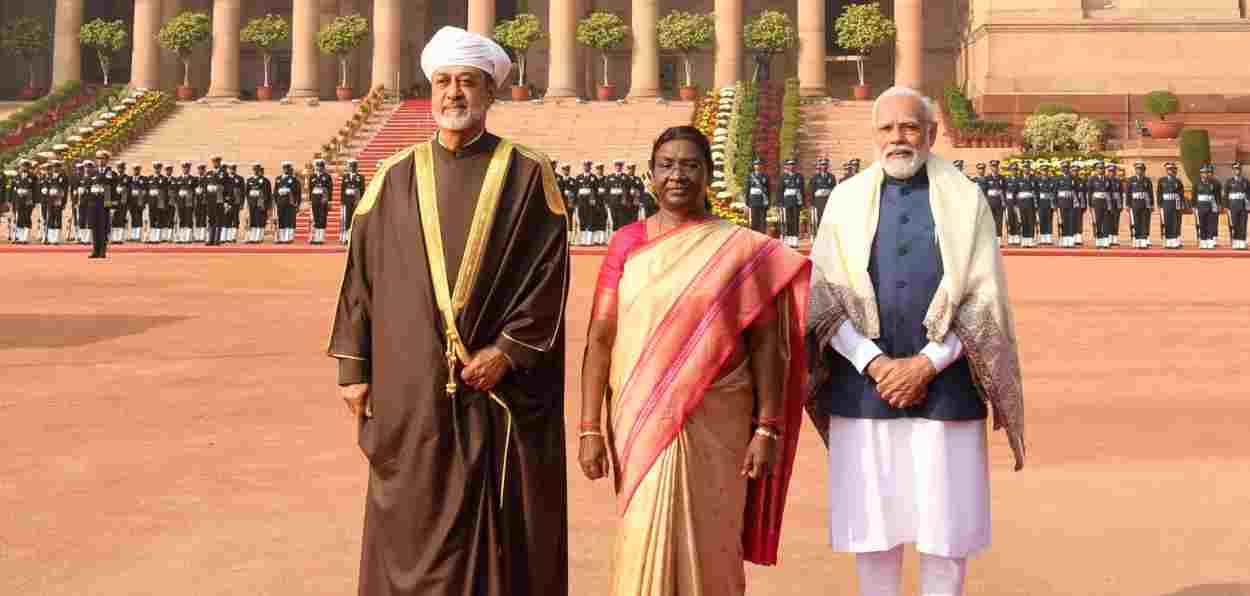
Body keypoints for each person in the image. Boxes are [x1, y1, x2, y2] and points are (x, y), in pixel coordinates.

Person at [329, 26, 570, 596]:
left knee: (501, 530)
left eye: (467, 82)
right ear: (430, 89)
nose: (454, 93)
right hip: (409, 387)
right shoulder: (393, 177)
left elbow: (548, 276)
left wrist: (507, 353)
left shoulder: (528, 175)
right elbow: (358, 277)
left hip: (494, 390)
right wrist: (353, 367)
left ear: (490, 93)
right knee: (409, 514)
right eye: (443, 82)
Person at [806, 87, 1025, 596]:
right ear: (874, 135)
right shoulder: (845, 198)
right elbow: (824, 294)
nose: (898, 138)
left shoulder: (966, 200)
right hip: (865, 389)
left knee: (944, 534)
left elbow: (983, 297)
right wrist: (876, 363)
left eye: (909, 127)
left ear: (931, 133)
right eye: (887, 128)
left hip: (946, 388)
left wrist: (925, 364)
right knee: (874, 533)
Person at [579, 125, 810, 596]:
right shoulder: (627, 243)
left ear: (708, 174)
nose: (677, 176)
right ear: (650, 175)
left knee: (714, 545)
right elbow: (600, 338)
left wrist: (768, 428)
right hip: (641, 422)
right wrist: (589, 429)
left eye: (689, 165)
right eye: (666, 165)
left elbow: (767, 343)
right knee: (642, 536)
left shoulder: (739, 249)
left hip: (720, 424)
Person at [84, 160, 113, 259]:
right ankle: (95, 250)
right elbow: (88, 185)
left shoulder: (108, 171)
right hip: (93, 204)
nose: (100, 161)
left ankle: (102, 251)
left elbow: (108, 185)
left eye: (103, 159)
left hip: (103, 204)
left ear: (106, 160)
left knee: (103, 228)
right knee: (94, 227)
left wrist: (108, 205)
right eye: (99, 159)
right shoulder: (94, 172)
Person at [1193, 163, 1222, 250]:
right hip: (1201, 207)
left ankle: (1210, 241)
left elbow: (1217, 196)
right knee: (1202, 224)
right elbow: (1194, 196)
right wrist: (1194, 206)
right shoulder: (1197, 184)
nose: (1205, 174)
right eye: (1203, 172)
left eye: (1206, 172)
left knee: (1210, 224)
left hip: (1211, 206)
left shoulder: (1213, 184)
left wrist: (1219, 205)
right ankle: (1203, 241)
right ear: (1200, 174)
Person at [1127, 162, 1155, 249]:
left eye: (1141, 169)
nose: (1139, 171)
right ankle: (1137, 240)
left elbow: (1150, 193)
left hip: (1145, 204)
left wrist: (1152, 204)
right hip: (1135, 203)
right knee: (1136, 222)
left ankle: (1143, 241)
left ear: (1144, 171)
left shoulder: (1147, 180)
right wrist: (1127, 204)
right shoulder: (1131, 180)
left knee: (1145, 222)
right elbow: (1128, 193)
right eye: (1138, 169)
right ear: (1135, 170)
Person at [1158, 162, 1185, 249]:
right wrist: (1159, 204)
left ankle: (1174, 240)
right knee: (1167, 222)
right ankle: (1168, 240)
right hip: (1166, 203)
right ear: (1166, 171)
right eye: (1169, 169)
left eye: (1173, 169)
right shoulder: (1162, 180)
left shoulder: (1178, 181)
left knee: (1175, 222)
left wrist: (1182, 204)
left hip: (1175, 204)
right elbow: (1159, 193)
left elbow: (1181, 194)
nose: (1171, 171)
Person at [780, 158, 804, 247]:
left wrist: (802, 203)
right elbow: (780, 190)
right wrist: (780, 203)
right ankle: (789, 239)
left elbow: (802, 190)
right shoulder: (783, 177)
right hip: (787, 201)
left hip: (796, 201)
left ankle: (795, 239)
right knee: (788, 220)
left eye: (793, 165)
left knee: (795, 220)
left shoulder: (799, 176)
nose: (791, 166)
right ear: (786, 166)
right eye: (789, 165)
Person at [245, 163, 273, 243]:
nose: (255, 171)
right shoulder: (249, 180)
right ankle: (252, 237)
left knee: (260, 220)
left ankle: (259, 237)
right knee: (253, 220)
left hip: (261, 203)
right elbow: (247, 192)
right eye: (254, 169)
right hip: (252, 203)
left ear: (259, 170)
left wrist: (268, 206)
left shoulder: (265, 180)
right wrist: (250, 197)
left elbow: (268, 194)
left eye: (257, 169)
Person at [11, 160, 38, 244]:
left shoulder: (33, 177)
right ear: (20, 166)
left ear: (29, 167)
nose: (24, 167)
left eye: (26, 166)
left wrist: (34, 201)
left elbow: (36, 190)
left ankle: (25, 238)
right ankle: (19, 237)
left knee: (27, 217)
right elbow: (12, 189)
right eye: (23, 166)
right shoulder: (16, 177)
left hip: (28, 200)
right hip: (18, 200)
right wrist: (12, 199)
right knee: (19, 218)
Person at [274, 161, 301, 243]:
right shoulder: (278, 179)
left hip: (290, 203)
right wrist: (276, 200)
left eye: (288, 168)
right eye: (284, 168)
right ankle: (282, 238)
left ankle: (289, 238)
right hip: (280, 202)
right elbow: (275, 191)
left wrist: (297, 204)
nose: (286, 170)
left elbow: (297, 193)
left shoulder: (294, 180)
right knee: (281, 220)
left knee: (290, 220)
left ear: (290, 169)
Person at [340, 159, 366, 244]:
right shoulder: (345, 177)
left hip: (356, 200)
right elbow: (343, 189)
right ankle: (346, 238)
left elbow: (362, 190)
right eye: (350, 166)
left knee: (355, 219)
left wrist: (361, 201)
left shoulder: (361, 177)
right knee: (347, 219)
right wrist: (342, 201)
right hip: (347, 200)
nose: (351, 168)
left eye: (353, 166)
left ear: (356, 167)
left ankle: (355, 238)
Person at [43, 161, 68, 244]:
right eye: (54, 167)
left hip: (58, 199)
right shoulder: (49, 176)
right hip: (50, 199)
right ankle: (50, 238)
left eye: (57, 167)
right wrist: (46, 190)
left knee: (58, 217)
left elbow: (65, 190)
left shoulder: (63, 177)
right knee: (50, 217)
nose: (55, 168)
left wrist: (64, 202)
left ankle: (56, 238)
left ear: (60, 168)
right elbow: (45, 186)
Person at [1225, 161, 1249, 250]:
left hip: (1243, 206)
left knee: (1243, 224)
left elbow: (1249, 194)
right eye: (1235, 169)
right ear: (1233, 170)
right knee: (1234, 224)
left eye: (1239, 169)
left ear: (1241, 170)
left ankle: (1242, 242)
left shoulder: (1246, 181)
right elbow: (1226, 195)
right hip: (1233, 206)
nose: (1237, 171)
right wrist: (1226, 207)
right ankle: (1235, 242)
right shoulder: (1229, 181)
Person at [309, 158, 333, 244]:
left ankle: (321, 237)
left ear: (323, 167)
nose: (319, 168)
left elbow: (330, 189)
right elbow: (310, 189)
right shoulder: (312, 176)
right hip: (315, 197)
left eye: (320, 166)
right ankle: (316, 237)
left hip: (323, 198)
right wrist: (310, 200)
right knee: (316, 217)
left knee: (322, 217)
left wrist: (329, 201)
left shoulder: (327, 176)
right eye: (317, 166)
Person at [810, 157, 837, 230]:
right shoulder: (815, 177)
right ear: (820, 166)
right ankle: (820, 233)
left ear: (828, 166)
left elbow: (834, 189)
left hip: (828, 199)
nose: (824, 166)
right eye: (822, 165)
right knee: (820, 216)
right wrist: (812, 203)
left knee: (828, 217)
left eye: (825, 164)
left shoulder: (832, 177)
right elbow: (812, 191)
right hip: (819, 200)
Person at [746, 157, 771, 234]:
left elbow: (768, 190)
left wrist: (768, 201)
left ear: (761, 166)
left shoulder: (765, 176)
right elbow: (748, 189)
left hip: (762, 200)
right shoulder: (750, 176)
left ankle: (762, 236)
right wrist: (747, 200)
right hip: (753, 200)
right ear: (754, 166)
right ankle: (754, 236)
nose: (757, 166)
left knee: (762, 220)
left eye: (759, 164)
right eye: (756, 165)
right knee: (754, 219)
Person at [984, 160, 1007, 245]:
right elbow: (985, 191)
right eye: (993, 167)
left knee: (999, 221)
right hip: (990, 202)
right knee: (990, 221)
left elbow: (1005, 190)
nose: (995, 168)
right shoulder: (987, 178)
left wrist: (1005, 202)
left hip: (999, 202)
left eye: (996, 167)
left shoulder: (1002, 178)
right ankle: (990, 240)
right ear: (990, 168)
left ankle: (999, 239)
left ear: (998, 167)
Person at [127, 164, 146, 242]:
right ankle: (133, 236)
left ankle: (138, 236)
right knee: (133, 218)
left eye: (137, 169)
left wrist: (138, 193)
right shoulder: (129, 179)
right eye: (134, 169)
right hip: (131, 202)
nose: (136, 171)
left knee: (139, 218)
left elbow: (145, 190)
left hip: (139, 201)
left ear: (139, 170)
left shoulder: (143, 179)